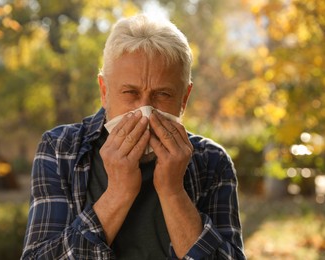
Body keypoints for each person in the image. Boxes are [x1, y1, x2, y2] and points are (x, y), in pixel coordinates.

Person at [22, 14, 246, 259]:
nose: (145, 111)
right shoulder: (60, 148)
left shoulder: (212, 161)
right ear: (105, 91)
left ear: (184, 98)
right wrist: (118, 192)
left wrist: (173, 192)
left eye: (163, 94)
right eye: (130, 92)